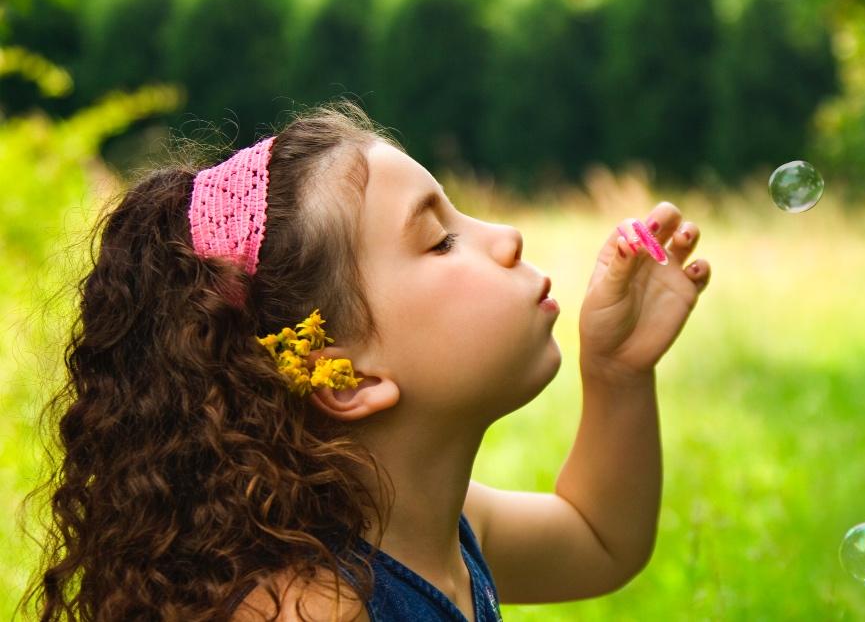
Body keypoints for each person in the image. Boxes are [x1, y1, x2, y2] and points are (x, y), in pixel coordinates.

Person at [22, 99, 712, 621]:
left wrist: (619, 372)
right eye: (441, 239)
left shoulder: (429, 528)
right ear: (345, 374)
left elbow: (597, 539)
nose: (506, 236)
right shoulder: (311, 607)